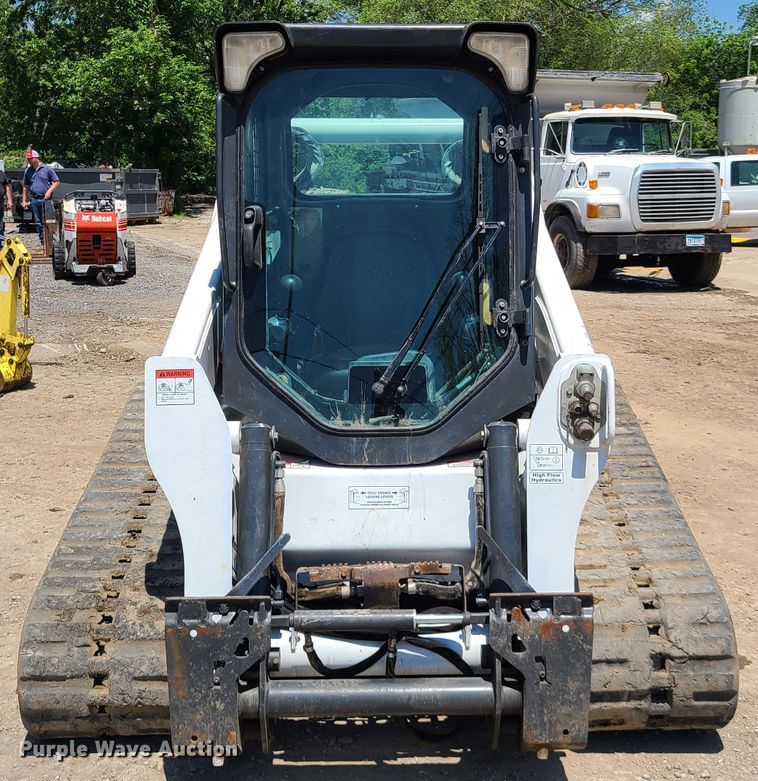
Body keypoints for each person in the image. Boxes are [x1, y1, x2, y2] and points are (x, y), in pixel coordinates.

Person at [21, 149, 59, 244]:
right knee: (38, 222)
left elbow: (56, 181)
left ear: (36, 158)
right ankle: (42, 241)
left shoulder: (47, 169)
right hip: (34, 198)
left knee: (48, 220)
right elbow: (26, 187)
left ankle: (50, 241)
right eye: (28, 159)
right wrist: (24, 200)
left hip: (45, 199)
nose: (28, 161)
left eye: (30, 159)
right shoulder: (28, 171)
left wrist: (49, 191)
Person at [0, 165, 11, 243]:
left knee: (0, 224)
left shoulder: (1, 173)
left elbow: (6, 187)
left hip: (0, 204)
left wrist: (9, 200)